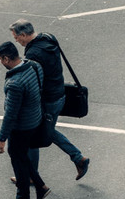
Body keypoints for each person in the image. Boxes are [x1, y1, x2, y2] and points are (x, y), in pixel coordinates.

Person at [10, 19, 90, 180]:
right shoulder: (48, 38)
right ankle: (77, 158)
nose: (16, 41)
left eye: (16, 37)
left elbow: (34, 81)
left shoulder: (33, 54)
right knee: (46, 130)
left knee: (34, 134)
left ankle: (33, 175)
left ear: (24, 35)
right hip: (59, 93)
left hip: (48, 100)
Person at [0, 42, 50, 199]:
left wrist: (1, 139)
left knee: (17, 158)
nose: (0, 62)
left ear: (6, 58)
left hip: (21, 127)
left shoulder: (15, 83)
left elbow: (11, 115)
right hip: (35, 119)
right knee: (22, 156)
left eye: (0, 59)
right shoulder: (34, 66)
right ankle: (40, 186)